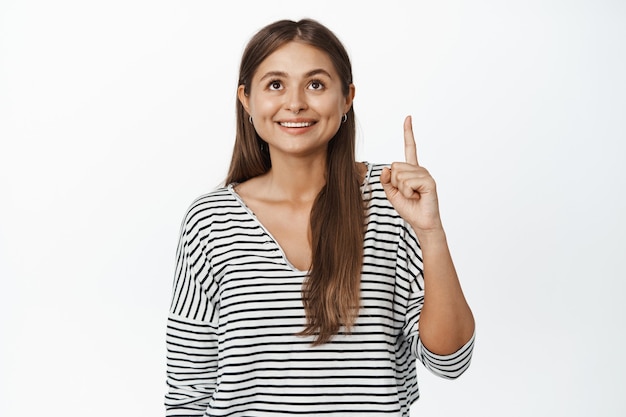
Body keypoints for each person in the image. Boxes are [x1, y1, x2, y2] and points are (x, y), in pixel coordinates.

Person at [165, 18, 475, 416]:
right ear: (246, 99)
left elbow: (450, 361)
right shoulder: (210, 220)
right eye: (275, 84)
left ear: (347, 98)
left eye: (315, 84)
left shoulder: (393, 200)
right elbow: (188, 391)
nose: (295, 103)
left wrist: (430, 231)